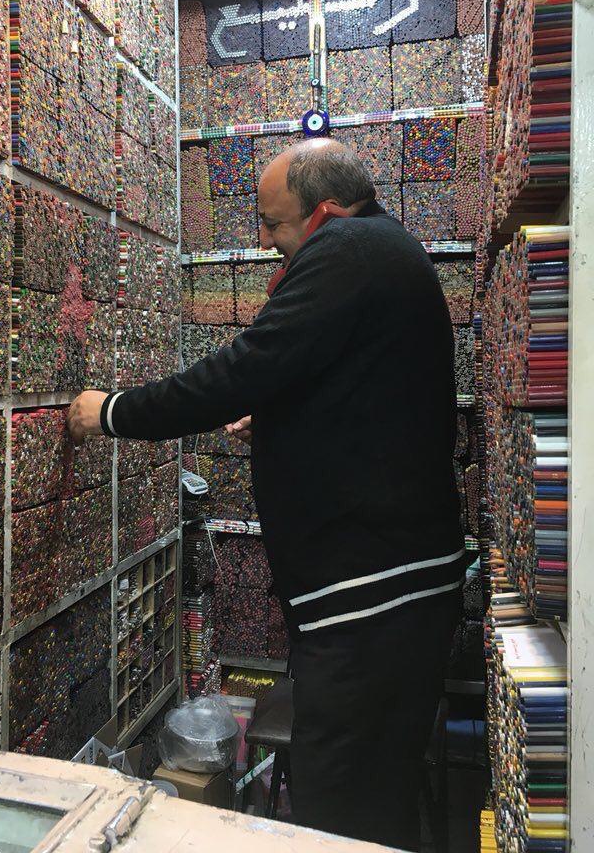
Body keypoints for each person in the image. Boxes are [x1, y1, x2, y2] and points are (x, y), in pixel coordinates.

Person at [68, 137, 464, 851]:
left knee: (342, 813)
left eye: (274, 223)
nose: (262, 240)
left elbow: (242, 370)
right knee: (373, 793)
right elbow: (363, 395)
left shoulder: (348, 251)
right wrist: (288, 420)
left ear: (326, 211)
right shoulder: (383, 251)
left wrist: (114, 412)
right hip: (390, 594)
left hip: (372, 601)